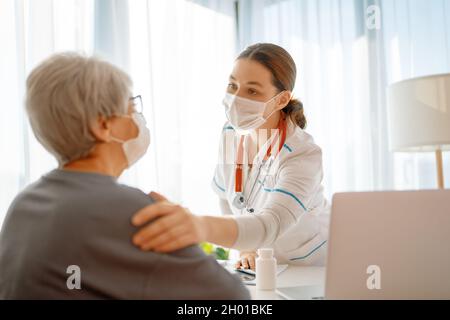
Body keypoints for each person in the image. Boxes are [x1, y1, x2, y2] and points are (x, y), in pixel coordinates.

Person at [0, 53, 250, 300]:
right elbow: (233, 296)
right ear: (103, 126)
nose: (138, 120)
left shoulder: (23, 205)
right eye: (131, 108)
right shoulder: (135, 211)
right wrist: (190, 232)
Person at [131, 43, 330, 270]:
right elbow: (226, 196)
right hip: (257, 266)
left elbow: (272, 223)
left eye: (252, 91)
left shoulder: (302, 155)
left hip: (307, 266)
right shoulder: (231, 132)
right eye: (232, 85)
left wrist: (198, 226)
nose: (236, 99)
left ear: (281, 100)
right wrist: (244, 248)